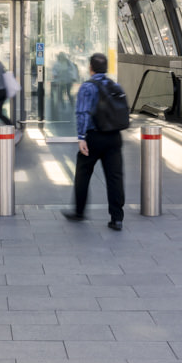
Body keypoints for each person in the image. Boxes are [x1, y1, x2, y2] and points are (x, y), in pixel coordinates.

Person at [61, 53, 125, 230]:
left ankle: (79, 212)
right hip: (114, 137)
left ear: (90, 68)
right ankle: (117, 218)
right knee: (115, 177)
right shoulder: (115, 85)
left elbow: (82, 113)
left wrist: (81, 138)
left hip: (94, 137)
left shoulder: (87, 87)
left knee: (83, 172)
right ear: (106, 68)